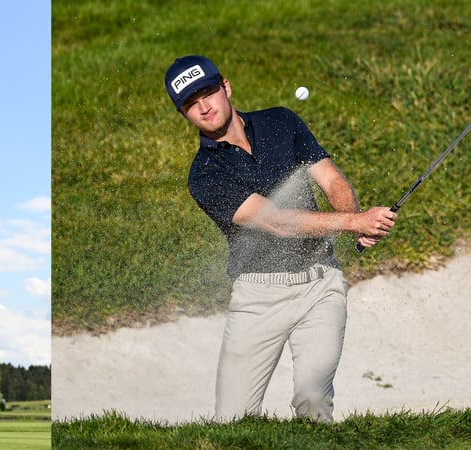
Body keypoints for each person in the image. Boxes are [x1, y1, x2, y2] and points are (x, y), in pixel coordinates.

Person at [163, 56, 397, 422]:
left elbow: (332, 180)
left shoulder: (281, 121)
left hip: (320, 285)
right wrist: (354, 223)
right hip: (258, 298)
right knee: (233, 422)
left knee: (313, 401)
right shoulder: (205, 176)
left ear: (226, 87)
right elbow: (277, 223)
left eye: (207, 93)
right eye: (191, 104)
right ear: (184, 115)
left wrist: (355, 219)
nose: (204, 107)